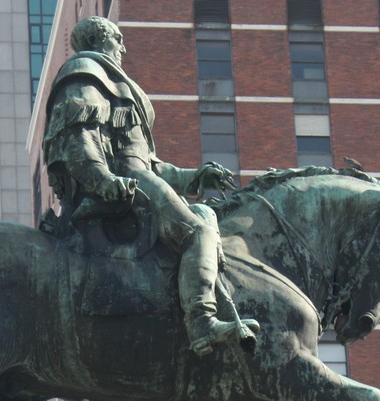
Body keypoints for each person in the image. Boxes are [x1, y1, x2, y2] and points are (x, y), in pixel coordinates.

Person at [42, 16, 258, 356]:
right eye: (118, 40)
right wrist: (104, 181)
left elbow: (150, 164)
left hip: (137, 177)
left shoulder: (114, 82)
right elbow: (78, 138)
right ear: (101, 40)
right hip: (122, 185)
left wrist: (195, 177)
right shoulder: (86, 72)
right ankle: (201, 323)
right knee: (196, 231)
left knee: (205, 213)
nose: (123, 47)